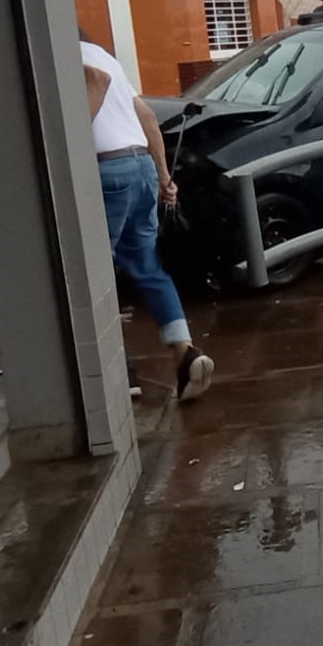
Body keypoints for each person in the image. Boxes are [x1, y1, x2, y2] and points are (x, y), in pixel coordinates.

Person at [80, 32, 213, 402]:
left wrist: (69, 144)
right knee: (149, 266)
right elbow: (148, 118)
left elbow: (96, 82)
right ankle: (184, 352)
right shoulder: (105, 56)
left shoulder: (66, 57)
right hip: (139, 165)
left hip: (105, 169)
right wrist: (164, 178)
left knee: (92, 275)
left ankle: (119, 369)